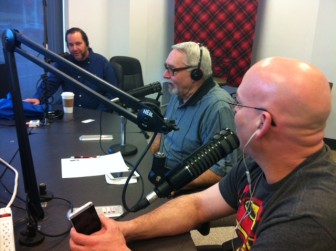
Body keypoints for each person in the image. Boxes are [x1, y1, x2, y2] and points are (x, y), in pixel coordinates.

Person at [69, 57, 336, 250]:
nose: (233, 110)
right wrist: (124, 230)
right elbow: (196, 206)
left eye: (238, 103)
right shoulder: (260, 163)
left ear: (261, 123)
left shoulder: (304, 222)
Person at [150, 41, 241, 191]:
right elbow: (163, 129)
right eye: (166, 67)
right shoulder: (179, 91)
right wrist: (153, 156)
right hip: (162, 174)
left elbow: (223, 169)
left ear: (196, 73)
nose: (165, 75)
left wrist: (172, 183)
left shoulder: (218, 107)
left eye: (172, 70)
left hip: (185, 187)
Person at [24, 27, 117, 110]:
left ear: (86, 44)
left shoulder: (102, 62)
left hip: (97, 116)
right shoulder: (63, 63)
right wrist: (38, 98)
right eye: (71, 45)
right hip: (70, 114)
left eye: (78, 44)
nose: (74, 48)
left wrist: (99, 113)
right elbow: (50, 84)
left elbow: (112, 93)